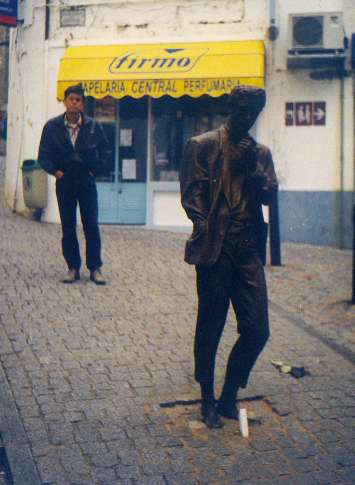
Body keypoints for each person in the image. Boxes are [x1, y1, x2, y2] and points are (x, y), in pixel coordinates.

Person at [180, 85, 278, 429]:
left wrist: (254, 171)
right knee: (211, 325)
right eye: (241, 111)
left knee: (257, 329)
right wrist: (208, 231)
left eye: (253, 113)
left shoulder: (260, 152)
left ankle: (228, 397)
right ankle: (207, 398)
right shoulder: (202, 145)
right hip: (216, 248)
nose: (246, 118)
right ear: (230, 108)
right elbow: (192, 197)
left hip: (248, 247)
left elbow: (269, 198)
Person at [38, 84, 110, 284]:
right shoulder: (52, 127)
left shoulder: (93, 126)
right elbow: (43, 155)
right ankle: (72, 267)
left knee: (91, 226)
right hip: (65, 182)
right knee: (68, 226)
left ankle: (95, 268)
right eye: (71, 99)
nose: (74, 102)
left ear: (83, 103)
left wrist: (95, 170)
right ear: (65, 101)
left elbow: (106, 151)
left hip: (86, 182)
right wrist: (55, 171)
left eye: (78, 100)